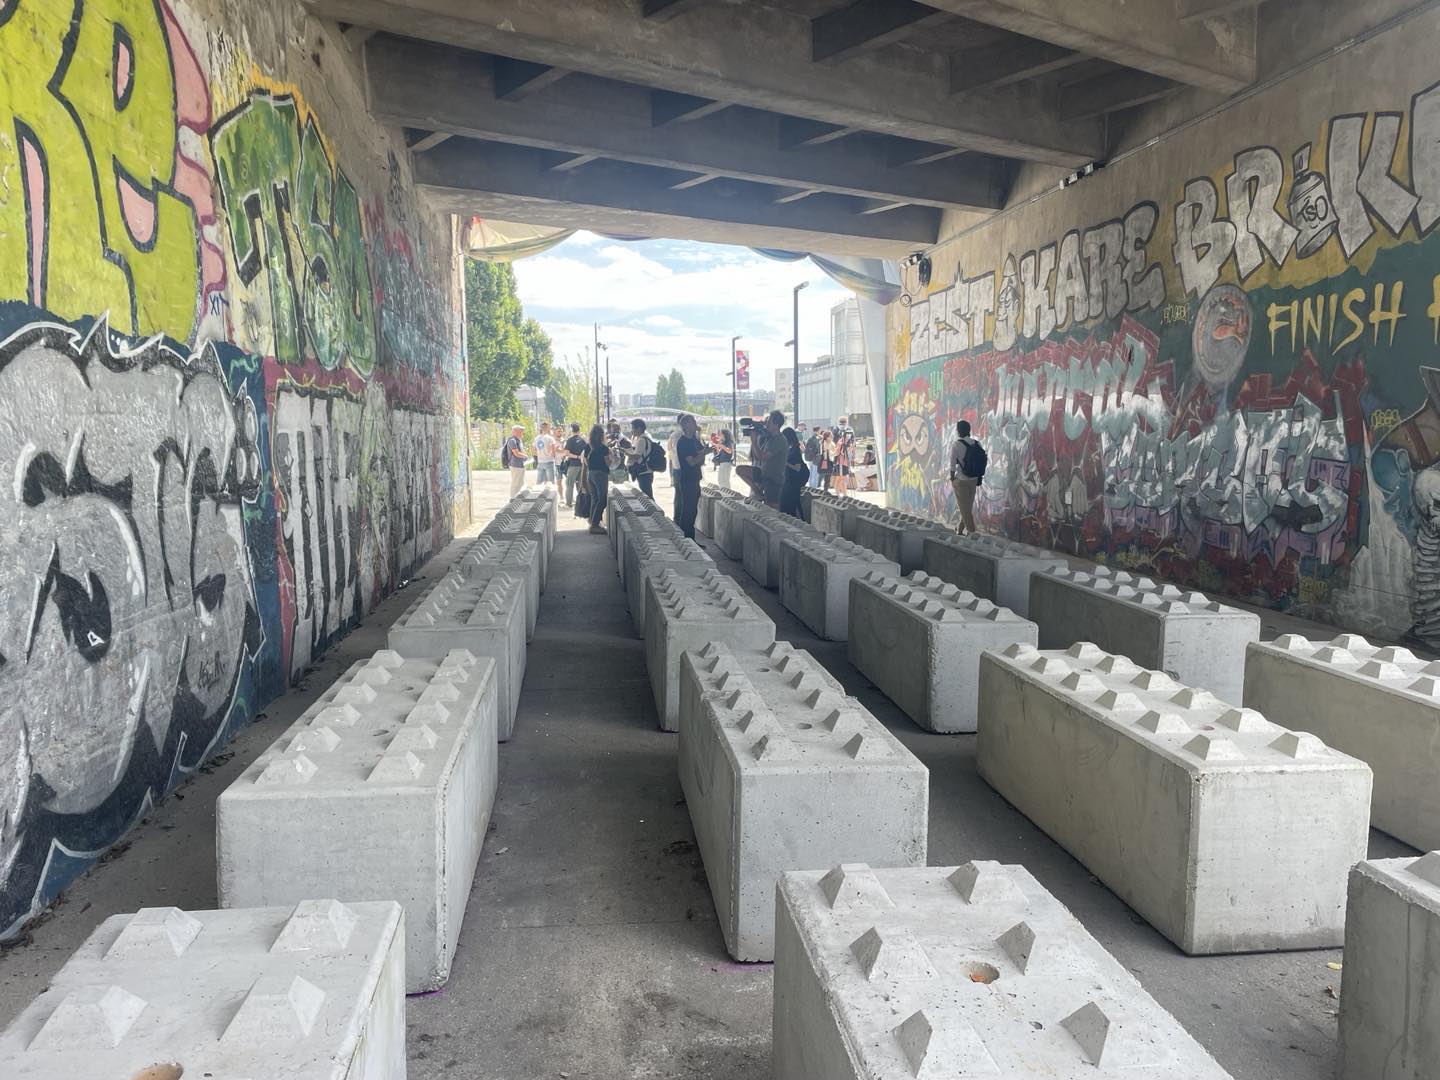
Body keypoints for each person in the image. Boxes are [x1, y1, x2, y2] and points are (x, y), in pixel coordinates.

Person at [949, 419, 986, 536]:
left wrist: (952, 478)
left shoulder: (956, 444)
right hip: (974, 479)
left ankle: (972, 532)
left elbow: (952, 464)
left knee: (964, 508)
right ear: (969, 430)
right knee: (967, 507)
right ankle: (959, 529)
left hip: (961, 480)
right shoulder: (977, 443)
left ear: (958, 431)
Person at [673, 413, 707, 539]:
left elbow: (700, 457)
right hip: (687, 481)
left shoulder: (694, 440)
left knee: (693, 511)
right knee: (687, 511)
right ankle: (685, 539)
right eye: (693, 422)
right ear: (686, 425)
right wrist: (703, 454)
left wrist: (704, 453)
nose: (695, 424)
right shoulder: (683, 442)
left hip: (695, 479)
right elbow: (692, 462)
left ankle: (690, 538)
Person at [579, 423, 613, 534]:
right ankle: (594, 525)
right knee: (602, 500)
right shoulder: (604, 448)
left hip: (591, 474)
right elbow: (608, 463)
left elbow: (586, 462)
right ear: (601, 435)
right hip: (601, 474)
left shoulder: (588, 447)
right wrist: (612, 457)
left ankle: (593, 521)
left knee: (594, 499)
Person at [624, 417, 657, 498]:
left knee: (647, 497)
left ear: (639, 428)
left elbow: (636, 456)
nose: (632, 430)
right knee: (647, 496)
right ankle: (653, 510)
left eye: (633, 428)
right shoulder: (643, 438)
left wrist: (625, 453)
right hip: (646, 471)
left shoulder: (642, 440)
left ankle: (654, 510)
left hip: (644, 472)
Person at [779, 427, 807, 518]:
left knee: (792, 504)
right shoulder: (791, 448)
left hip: (794, 482)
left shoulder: (795, 451)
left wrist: (785, 463)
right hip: (791, 481)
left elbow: (797, 468)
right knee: (794, 503)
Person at [562, 422, 587, 508]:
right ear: (579, 430)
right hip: (582, 465)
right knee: (580, 485)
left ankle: (568, 503)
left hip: (573, 465)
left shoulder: (570, 440)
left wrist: (576, 457)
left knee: (569, 484)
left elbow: (566, 453)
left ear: (571, 430)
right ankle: (581, 503)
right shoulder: (583, 440)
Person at [503, 423, 528, 496]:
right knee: (515, 484)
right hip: (515, 465)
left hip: (520, 465)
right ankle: (513, 500)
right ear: (515, 431)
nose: (522, 432)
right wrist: (525, 456)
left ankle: (518, 499)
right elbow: (516, 453)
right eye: (521, 431)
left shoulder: (518, 440)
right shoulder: (512, 441)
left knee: (520, 483)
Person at [832, 423, 853, 497]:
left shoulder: (848, 443)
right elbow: (836, 453)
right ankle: (839, 494)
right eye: (848, 434)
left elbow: (849, 454)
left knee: (843, 479)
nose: (849, 436)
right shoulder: (841, 443)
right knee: (840, 479)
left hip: (845, 463)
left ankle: (844, 494)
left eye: (850, 434)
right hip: (840, 463)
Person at [666, 423, 683, 516]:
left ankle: (677, 517)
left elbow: (669, 448)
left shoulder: (673, 435)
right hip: (687, 470)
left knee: (678, 495)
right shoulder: (691, 435)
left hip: (676, 467)